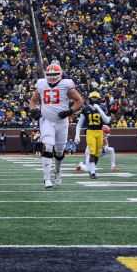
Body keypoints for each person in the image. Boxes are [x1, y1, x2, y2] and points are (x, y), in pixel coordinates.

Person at [29, 61, 82, 189]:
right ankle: (46, 178)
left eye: (55, 74)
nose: (52, 76)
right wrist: (33, 110)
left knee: (59, 151)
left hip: (61, 122)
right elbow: (33, 101)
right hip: (46, 120)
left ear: (60, 74)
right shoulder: (41, 84)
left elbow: (79, 101)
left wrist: (70, 111)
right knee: (47, 146)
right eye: (50, 74)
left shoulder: (66, 85)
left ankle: (57, 172)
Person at [80, 91, 109, 179]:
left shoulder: (102, 108)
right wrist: (77, 135)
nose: (94, 99)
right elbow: (80, 123)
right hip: (90, 131)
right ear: (89, 98)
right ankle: (92, 172)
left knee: (97, 154)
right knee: (92, 152)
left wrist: (99, 109)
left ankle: (89, 168)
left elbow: (107, 120)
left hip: (99, 132)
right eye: (93, 98)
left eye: (96, 98)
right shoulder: (86, 109)